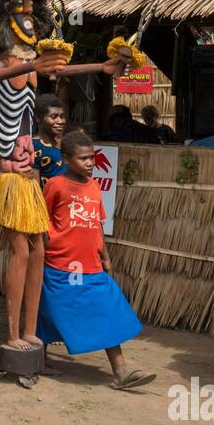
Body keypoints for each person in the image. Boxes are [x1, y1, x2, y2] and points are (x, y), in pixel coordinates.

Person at [0, 0, 126, 362]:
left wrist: (103, 68)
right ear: (1, 19)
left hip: (30, 180)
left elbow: (66, 71)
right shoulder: (6, 62)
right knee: (22, 252)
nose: (26, 16)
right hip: (12, 178)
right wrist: (26, 64)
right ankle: (11, 332)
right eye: (17, 8)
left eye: (30, 7)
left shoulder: (33, 68)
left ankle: (29, 330)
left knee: (38, 251)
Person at [36, 131, 156, 390]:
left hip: (90, 265)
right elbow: (42, 223)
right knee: (48, 311)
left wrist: (106, 256)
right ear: (67, 158)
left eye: (92, 157)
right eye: (83, 158)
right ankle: (36, 360)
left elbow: (97, 224)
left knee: (107, 310)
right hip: (60, 264)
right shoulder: (55, 185)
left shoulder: (93, 186)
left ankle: (121, 371)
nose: (90, 163)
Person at [32, 93, 67, 187]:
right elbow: (34, 189)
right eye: (54, 117)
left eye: (62, 116)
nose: (60, 121)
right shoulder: (33, 147)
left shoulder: (66, 144)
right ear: (38, 118)